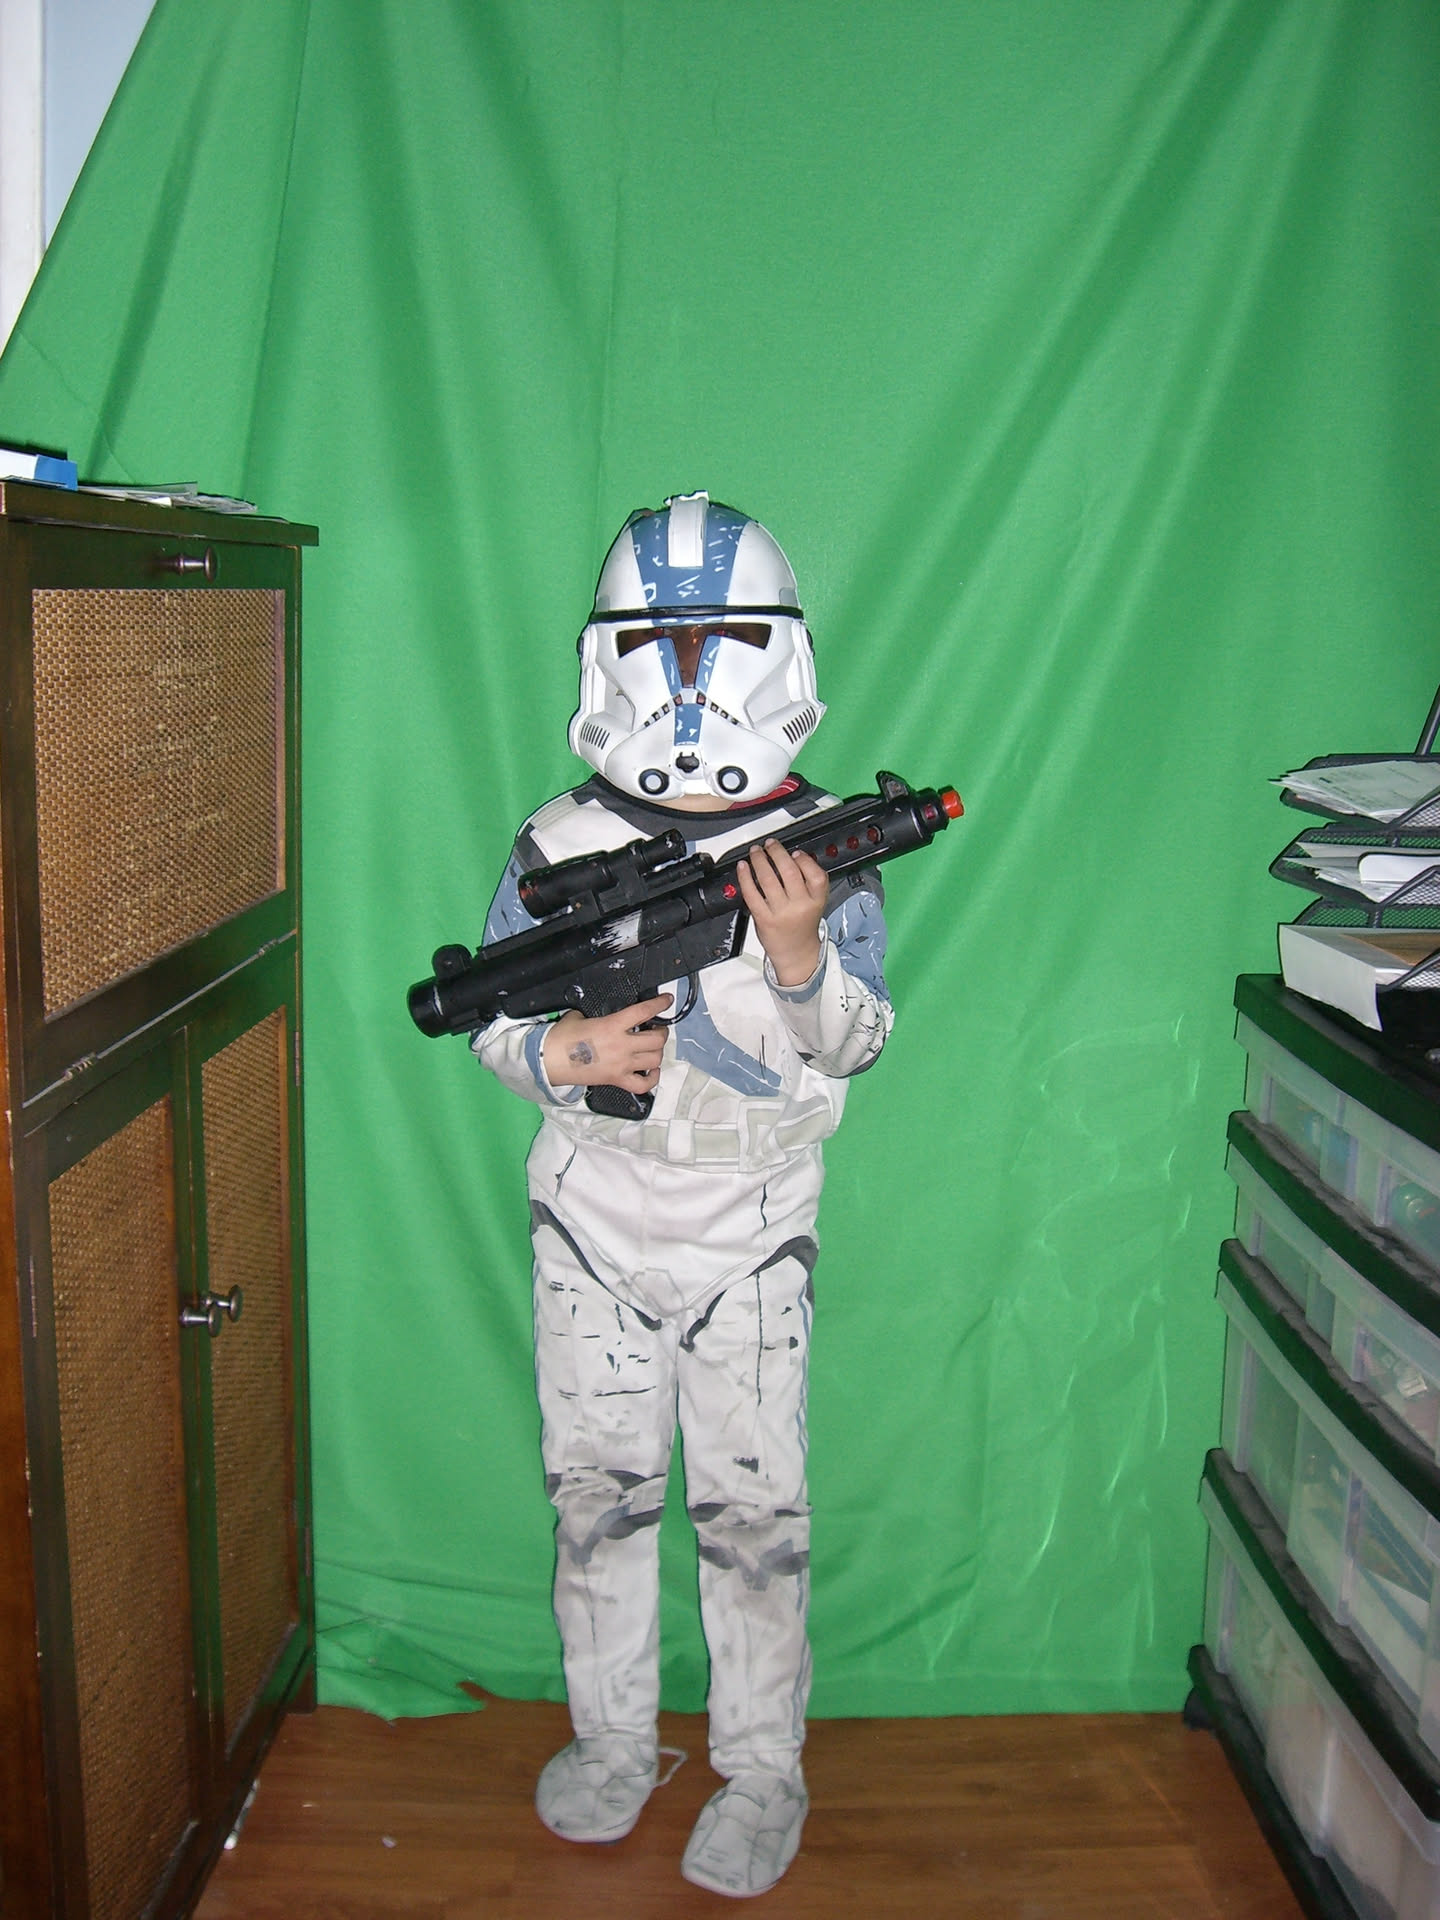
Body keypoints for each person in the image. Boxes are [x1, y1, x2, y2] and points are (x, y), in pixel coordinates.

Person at [472, 491, 892, 1897]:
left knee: (756, 1521)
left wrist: (798, 951)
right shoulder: (557, 845)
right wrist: (565, 1055)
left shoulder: (825, 848)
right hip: (592, 1216)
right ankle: (612, 1740)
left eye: (720, 643)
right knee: (596, 1500)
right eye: (664, 643)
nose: (691, 679)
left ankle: (762, 1768)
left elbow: (857, 1041)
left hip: (754, 1230)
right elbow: (490, 1015)